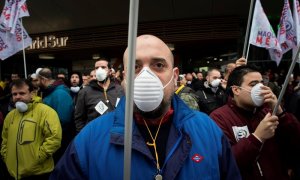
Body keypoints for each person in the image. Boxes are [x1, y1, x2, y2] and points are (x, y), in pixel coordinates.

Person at [50, 34, 241, 179]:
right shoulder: (89, 140)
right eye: (135, 67)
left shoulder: (208, 131)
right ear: (124, 78)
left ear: (174, 76)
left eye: (158, 65)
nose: (146, 76)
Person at [210, 65, 300, 180]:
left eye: (261, 83)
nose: (260, 88)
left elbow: (295, 143)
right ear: (236, 90)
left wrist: (280, 113)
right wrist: (257, 138)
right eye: (253, 84)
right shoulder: (219, 118)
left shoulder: (268, 112)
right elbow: (225, 163)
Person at [1, 79, 62, 179]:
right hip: (13, 173)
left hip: (38, 173)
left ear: (32, 93)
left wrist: (37, 158)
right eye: (14, 94)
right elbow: (5, 140)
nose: (18, 97)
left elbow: (54, 139)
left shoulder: (46, 112)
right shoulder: (10, 116)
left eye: (22, 93)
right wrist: (6, 157)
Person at [74, 58, 124, 133]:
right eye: (97, 68)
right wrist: (84, 136)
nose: (99, 70)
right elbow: (79, 119)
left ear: (110, 71)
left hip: (116, 135)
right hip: (94, 136)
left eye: (103, 67)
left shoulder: (120, 90)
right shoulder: (85, 92)